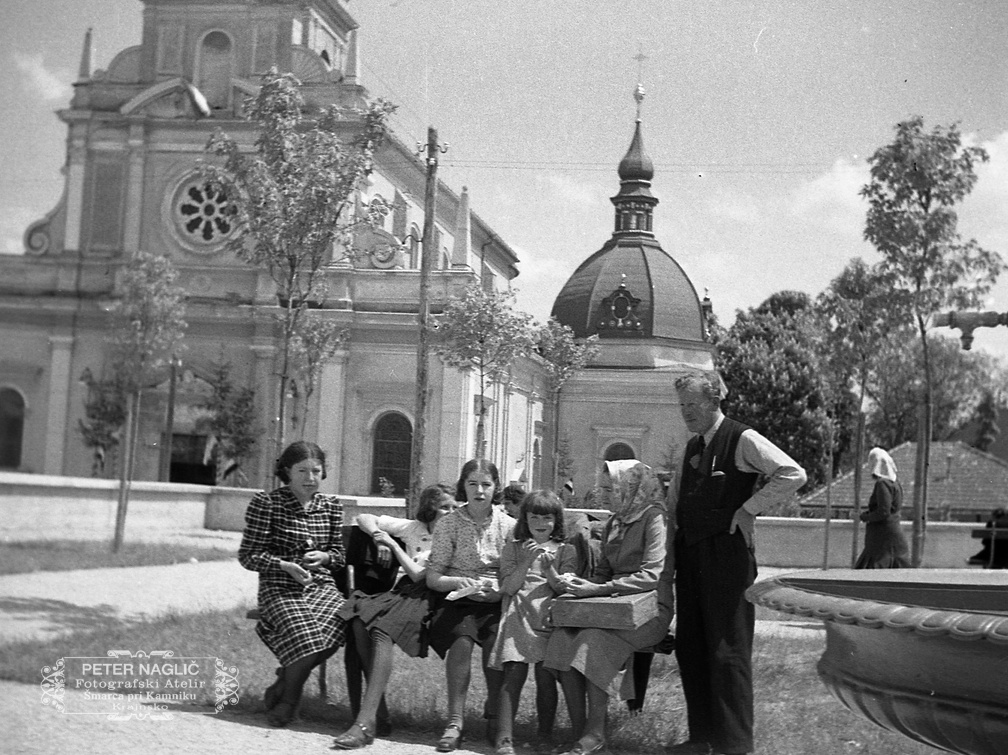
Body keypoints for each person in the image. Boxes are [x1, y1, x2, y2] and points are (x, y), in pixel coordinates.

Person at [670, 372, 807, 755]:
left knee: (727, 651)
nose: (686, 412)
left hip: (727, 557)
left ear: (714, 402)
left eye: (693, 405)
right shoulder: (692, 446)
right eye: (682, 406)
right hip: (691, 555)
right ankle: (702, 739)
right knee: (692, 647)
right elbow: (676, 501)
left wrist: (749, 509)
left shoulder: (742, 438)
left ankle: (734, 745)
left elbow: (793, 474)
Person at [544, 460, 673, 755]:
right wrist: (578, 585)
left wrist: (598, 589)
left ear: (629, 488)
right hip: (611, 608)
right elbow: (603, 572)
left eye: (607, 489)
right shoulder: (616, 521)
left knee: (591, 641)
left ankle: (595, 735)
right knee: (562, 639)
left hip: (650, 610)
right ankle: (581, 734)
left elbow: (652, 575)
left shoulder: (654, 518)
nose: (600, 495)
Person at [331, 483, 457, 749]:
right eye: (445, 507)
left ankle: (364, 723)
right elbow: (363, 517)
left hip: (432, 593)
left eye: (455, 507)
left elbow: (420, 575)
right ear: (430, 509)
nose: (451, 512)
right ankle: (378, 713)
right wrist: (378, 535)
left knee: (381, 629)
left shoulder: (454, 534)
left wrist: (392, 546)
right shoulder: (413, 528)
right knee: (360, 620)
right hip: (406, 591)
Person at [237, 441, 347, 728]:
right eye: (302, 471)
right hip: (279, 587)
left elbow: (338, 556)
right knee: (307, 635)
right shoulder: (268, 504)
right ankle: (289, 699)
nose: (310, 478)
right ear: (287, 471)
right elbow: (248, 556)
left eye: (316, 471)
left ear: (323, 472)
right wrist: (284, 565)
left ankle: (284, 682)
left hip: (320, 586)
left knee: (342, 624)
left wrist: (324, 557)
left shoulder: (331, 507)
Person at [426, 458, 517, 752]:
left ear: (496, 487)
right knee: (461, 641)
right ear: (463, 486)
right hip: (458, 600)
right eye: (472, 484)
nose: (479, 491)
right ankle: (455, 722)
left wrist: (498, 592)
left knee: (496, 644)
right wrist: (457, 582)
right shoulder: (449, 524)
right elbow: (433, 577)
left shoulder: (509, 526)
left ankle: (497, 721)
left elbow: (512, 573)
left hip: (494, 600)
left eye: (486, 484)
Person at [489, 490, 579, 755]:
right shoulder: (514, 548)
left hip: (549, 615)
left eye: (547, 518)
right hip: (518, 613)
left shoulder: (566, 550)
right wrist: (527, 561)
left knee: (545, 676)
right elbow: (508, 587)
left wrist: (549, 568)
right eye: (534, 517)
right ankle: (505, 738)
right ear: (524, 519)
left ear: (557, 520)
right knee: (514, 672)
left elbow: (563, 588)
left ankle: (544, 736)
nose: (541, 523)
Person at [854, 448, 911, 570]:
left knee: (869, 575)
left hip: (883, 540)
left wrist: (863, 517)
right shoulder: (895, 484)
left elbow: (883, 512)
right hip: (890, 537)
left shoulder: (882, 484)